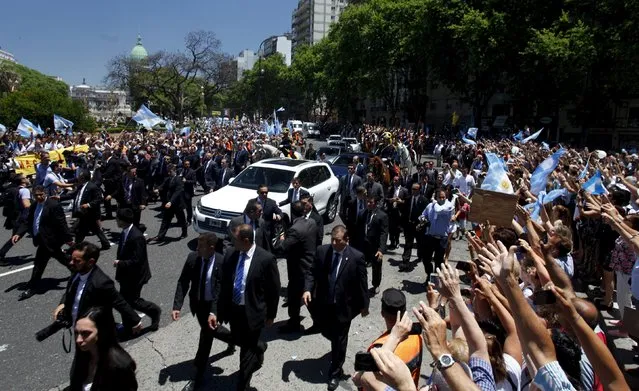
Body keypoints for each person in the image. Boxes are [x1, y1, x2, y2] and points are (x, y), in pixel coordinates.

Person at [210, 224, 281, 391]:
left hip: (253, 313)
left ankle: (243, 385)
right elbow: (223, 285)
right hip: (234, 311)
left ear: (246, 240)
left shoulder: (265, 259)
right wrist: (215, 311)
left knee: (246, 353)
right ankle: (259, 346)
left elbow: (273, 290)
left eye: (234, 239)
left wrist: (271, 315)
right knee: (240, 340)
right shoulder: (231, 255)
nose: (230, 242)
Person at [303, 225, 369, 391]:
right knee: (328, 332)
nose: (333, 243)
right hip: (324, 303)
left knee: (340, 340)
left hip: (344, 307)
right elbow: (312, 271)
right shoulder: (322, 251)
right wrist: (307, 289)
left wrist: (364, 305)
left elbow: (362, 284)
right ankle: (335, 346)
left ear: (347, 240)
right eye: (332, 239)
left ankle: (335, 373)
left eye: (337, 240)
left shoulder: (356, 257)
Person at [172, 233, 235, 391]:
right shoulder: (193, 258)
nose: (197, 249)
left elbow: (220, 290)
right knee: (210, 331)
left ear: (211, 248)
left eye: (201, 246)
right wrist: (177, 306)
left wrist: (214, 312)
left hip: (215, 306)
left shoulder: (221, 262)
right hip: (199, 305)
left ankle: (198, 375)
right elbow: (183, 281)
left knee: (206, 337)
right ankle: (233, 340)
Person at [52, 242, 142, 334]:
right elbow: (71, 290)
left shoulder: (101, 282)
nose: (71, 263)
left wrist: (135, 321)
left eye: (77, 261)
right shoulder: (77, 270)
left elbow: (118, 301)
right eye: (72, 259)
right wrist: (63, 303)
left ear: (90, 262)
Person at [14, 185, 74, 300]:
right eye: (36, 195)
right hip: (41, 239)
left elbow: (61, 223)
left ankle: (32, 287)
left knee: (39, 264)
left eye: (41, 194)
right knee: (62, 257)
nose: (39, 197)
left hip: (51, 240)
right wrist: (18, 233)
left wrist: (68, 239)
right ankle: (79, 271)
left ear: (45, 193)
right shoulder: (34, 206)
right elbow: (28, 221)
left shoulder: (53, 205)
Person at [113, 208, 161, 331]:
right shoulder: (125, 232)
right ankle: (129, 326)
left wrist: (121, 263)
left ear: (123, 221)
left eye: (118, 218)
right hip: (126, 274)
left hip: (135, 276)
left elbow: (138, 260)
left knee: (133, 301)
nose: (116, 220)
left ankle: (154, 310)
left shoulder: (136, 236)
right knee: (124, 301)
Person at [69, 306, 138, 391]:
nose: (78, 339)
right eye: (76, 333)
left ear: (102, 332)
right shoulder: (83, 353)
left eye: (85, 333)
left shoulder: (120, 366)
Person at [273, 201, 317, 333]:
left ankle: (294, 323)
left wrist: (280, 239)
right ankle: (316, 321)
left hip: (299, 268)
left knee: (295, 295)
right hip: (310, 264)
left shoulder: (295, 230)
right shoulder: (311, 222)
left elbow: (282, 247)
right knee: (307, 295)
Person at [366, 289, 423, 389]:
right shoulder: (416, 336)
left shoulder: (379, 348)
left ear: (382, 313)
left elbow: (369, 382)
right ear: (404, 312)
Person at [420, 189, 454, 283]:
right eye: (440, 197)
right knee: (426, 259)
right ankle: (429, 274)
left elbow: (438, 211)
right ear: (437, 197)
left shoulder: (448, 207)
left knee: (438, 261)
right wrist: (423, 219)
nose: (442, 199)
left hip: (442, 238)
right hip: (430, 237)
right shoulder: (430, 206)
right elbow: (423, 215)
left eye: (444, 197)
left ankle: (435, 280)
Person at [71, 170, 111, 250]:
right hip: (83, 213)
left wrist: (88, 205)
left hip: (90, 213)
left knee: (83, 231)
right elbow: (73, 195)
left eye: (80, 176)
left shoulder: (92, 186)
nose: (78, 177)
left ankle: (75, 247)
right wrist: (60, 197)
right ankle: (106, 244)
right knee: (93, 229)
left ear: (83, 178)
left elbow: (99, 199)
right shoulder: (81, 186)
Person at [148, 164, 188, 243]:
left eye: (170, 172)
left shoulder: (178, 179)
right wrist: (157, 189)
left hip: (177, 204)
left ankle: (184, 232)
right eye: (168, 172)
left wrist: (170, 201)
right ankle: (160, 236)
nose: (168, 173)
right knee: (166, 220)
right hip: (169, 204)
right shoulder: (168, 178)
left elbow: (178, 192)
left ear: (173, 171)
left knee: (182, 220)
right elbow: (163, 185)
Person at [359, 195, 388, 296]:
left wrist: (381, 249)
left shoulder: (382, 216)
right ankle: (361, 284)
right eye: (367, 202)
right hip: (364, 245)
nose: (368, 204)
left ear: (375, 203)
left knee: (376, 267)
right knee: (361, 265)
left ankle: (376, 284)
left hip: (375, 246)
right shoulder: (363, 213)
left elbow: (383, 233)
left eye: (370, 202)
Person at [0, 175, 31, 266]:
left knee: (16, 237)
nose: (28, 179)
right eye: (25, 178)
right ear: (22, 181)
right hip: (25, 219)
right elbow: (27, 205)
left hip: (16, 218)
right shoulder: (25, 190)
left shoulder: (15, 189)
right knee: (16, 237)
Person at [105, 165, 146, 229]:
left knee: (135, 222)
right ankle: (127, 235)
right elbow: (118, 190)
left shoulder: (139, 181)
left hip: (135, 204)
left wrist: (143, 203)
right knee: (126, 221)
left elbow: (143, 193)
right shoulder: (123, 180)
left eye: (135, 172)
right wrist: (111, 195)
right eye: (133, 172)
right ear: (128, 172)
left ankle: (136, 235)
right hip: (125, 204)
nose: (135, 174)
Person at [400, 183, 428, 271]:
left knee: (420, 243)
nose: (413, 191)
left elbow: (426, 215)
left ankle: (420, 256)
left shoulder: (424, 200)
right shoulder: (408, 199)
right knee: (408, 243)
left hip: (419, 226)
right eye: (412, 189)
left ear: (419, 190)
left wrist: (422, 225)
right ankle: (405, 262)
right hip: (409, 225)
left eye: (415, 189)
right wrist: (402, 224)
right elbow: (404, 212)